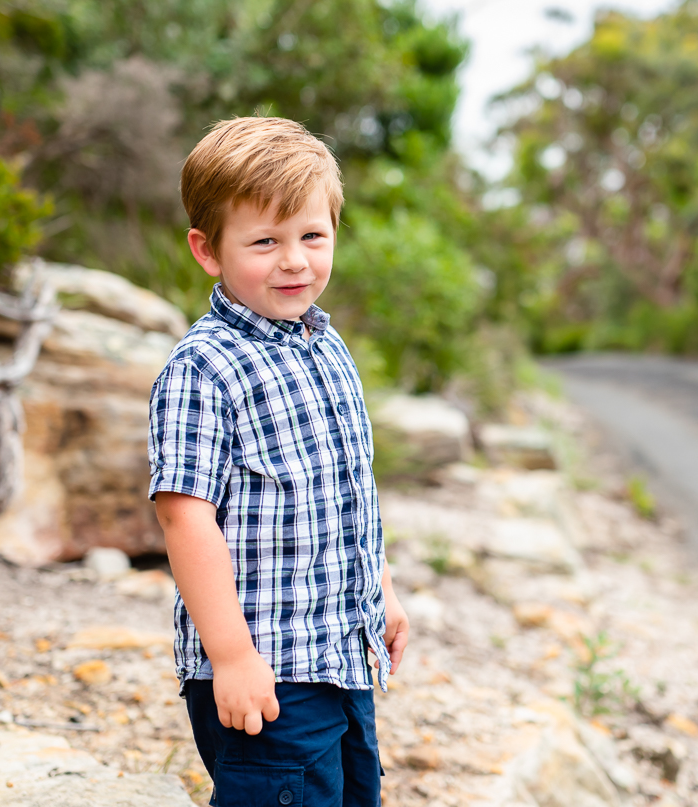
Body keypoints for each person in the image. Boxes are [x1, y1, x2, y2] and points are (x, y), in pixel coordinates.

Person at [146, 116, 409, 807]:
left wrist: (379, 586)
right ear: (208, 250)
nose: (294, 260)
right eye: (265, 241)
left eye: (312, 236)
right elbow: (186, 519)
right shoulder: (204, 367)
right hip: (266, 665)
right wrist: (230, 654)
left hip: (341, 654)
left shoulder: (327, 348)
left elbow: (347, 490)